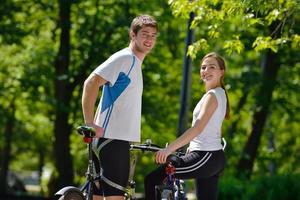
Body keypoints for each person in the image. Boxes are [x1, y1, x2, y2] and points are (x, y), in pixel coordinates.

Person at [81, 14, 158, 200]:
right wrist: (89, 123)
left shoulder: (135, 63)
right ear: (133, 34)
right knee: (116, 198)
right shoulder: (126, 59)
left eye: (153, 35)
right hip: (112, 139)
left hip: (111, 139)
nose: (149, 39)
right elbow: (90, 83)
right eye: (145, 34)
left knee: (98, 197)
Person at [144, 52, 230, 200]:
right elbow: (213, 128)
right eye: (203, 67)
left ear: (221, 71)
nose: (206, 71)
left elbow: (197, 128)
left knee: (151, 180)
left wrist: (169, 149)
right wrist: (191, 147)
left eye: (212, 67)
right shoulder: (218, 93)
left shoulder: (212, 96)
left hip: (206, 155)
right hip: (212, 156)